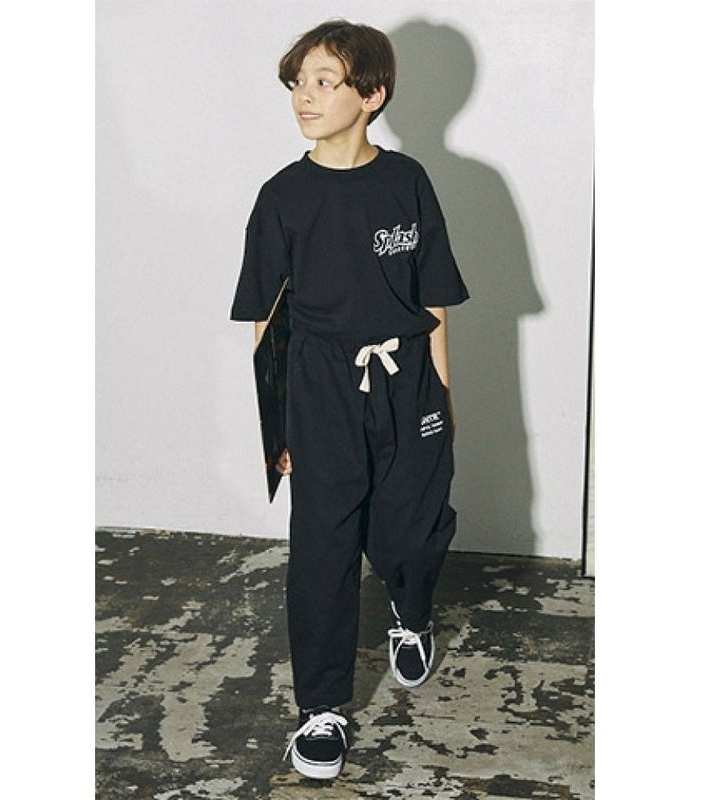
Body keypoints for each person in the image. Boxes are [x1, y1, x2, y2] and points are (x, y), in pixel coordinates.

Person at [230, 19, 469, 780]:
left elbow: (433, 297)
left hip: (407, 379)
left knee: (415, 527)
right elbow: (267, 323)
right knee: (323, 545)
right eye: (298, 82)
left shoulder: (407, 182)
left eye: (324, 81)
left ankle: (410, 612)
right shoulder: (282, 197)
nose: (304, 96)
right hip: (320, 387)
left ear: (372, 95)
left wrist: (443, 395)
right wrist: (277, 426)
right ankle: (322, 709)